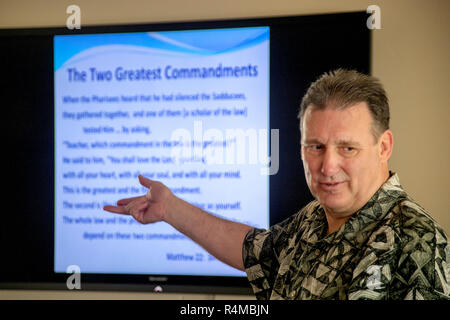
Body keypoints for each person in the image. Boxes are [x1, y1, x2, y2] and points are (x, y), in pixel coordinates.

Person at [104, 69, 450, 300]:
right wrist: (171, 208)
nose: (328, 166)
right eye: (315, 147)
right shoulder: (314, 218)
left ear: (384, 147)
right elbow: (254, 250)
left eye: (347, 148)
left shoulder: (416, 242)